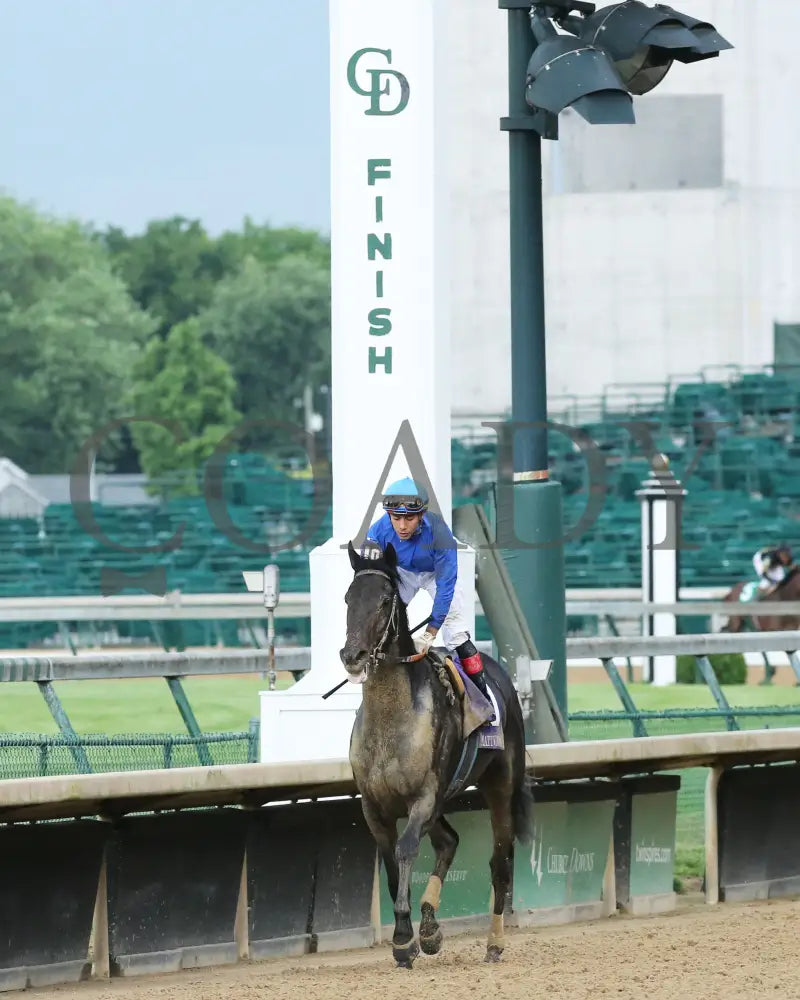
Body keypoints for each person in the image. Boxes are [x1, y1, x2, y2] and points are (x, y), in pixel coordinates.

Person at [363, 476, 492, 704]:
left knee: (457, 635)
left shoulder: (441, 535)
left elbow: (445, 586)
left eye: (409, 518)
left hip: (435, 575)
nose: (402, 526)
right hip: (403, 573)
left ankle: (484, 701)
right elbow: (372, 580)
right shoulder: (376, 533)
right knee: (381, 619)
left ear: (421, 515)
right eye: (396, 518)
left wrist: (431, 633)